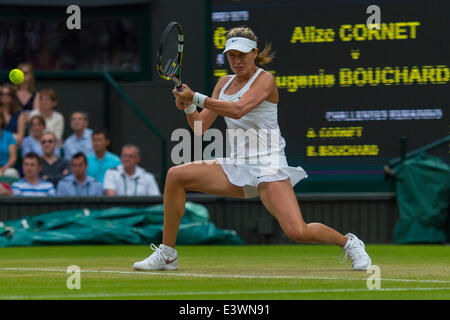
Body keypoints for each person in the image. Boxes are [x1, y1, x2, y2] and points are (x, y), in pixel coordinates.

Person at [133, 27, 372, 272]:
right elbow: (199, 127)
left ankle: (349, 243)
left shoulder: (265, 80)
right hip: (236, 165)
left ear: (254, 53)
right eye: (231, 55)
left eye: (242, 55)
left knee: (297, 231)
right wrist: (186, 107)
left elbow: (238, 109)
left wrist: (195, 97)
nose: (236, 61)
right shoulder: (224, 83)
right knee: (175, 176)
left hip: (268, 165)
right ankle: (168, 254)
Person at [0, 112, 19, 178]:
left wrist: (5, 167)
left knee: (12, 173)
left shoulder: (9, 136)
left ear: (2, 120)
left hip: (6, 168)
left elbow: (13, 157)